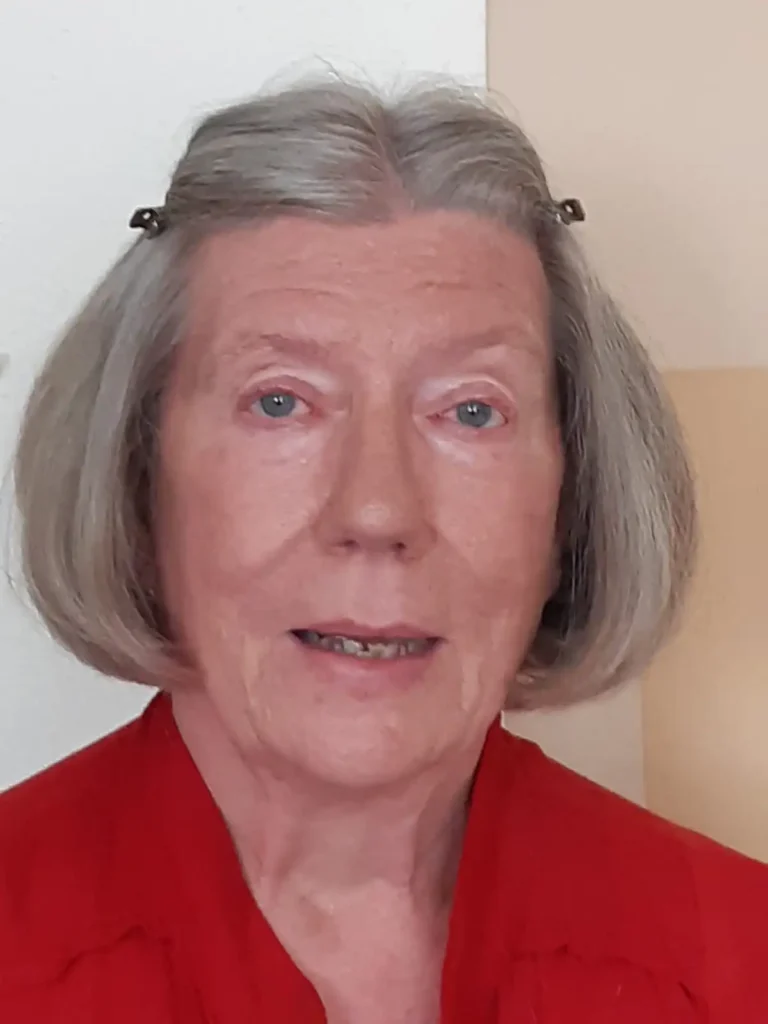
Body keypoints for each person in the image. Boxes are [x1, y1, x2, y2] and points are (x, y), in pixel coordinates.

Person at [1, 75, 766, 1024]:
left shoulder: (741, 964)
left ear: (572, 500)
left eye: (472, 411)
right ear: (135, 471)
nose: (375, 509)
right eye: (279, 401)